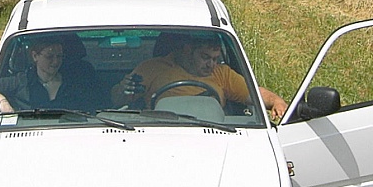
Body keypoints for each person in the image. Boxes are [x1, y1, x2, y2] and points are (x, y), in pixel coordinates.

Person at [111, 33, 288, 121]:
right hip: (159, 130)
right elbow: (117, 100)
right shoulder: (152, 68)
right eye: (205, 57)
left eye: (215, 59)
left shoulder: (221, 73)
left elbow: (254, 94)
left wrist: (276, 101)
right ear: (188, 51)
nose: (211, 64)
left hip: (214, 132)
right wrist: (123, 90)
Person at [0, 37, 106, 113]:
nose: (55, 61)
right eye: (49, 56)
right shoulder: (21, 81)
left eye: (59, 56)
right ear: (35, 56)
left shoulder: (76, 82)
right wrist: (2, 100)